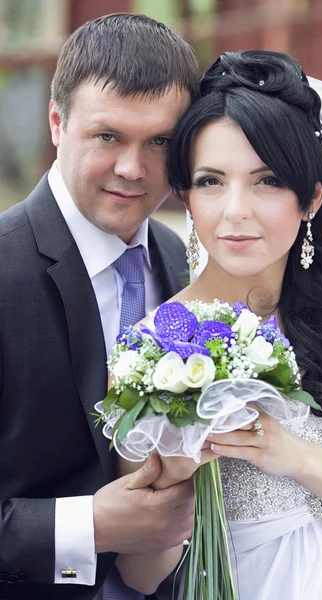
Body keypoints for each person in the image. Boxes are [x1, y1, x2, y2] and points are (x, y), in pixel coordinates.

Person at [114, 51, 322, 598]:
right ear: (186, 196)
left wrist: (296, 457)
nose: (235, 210)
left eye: (267, 181)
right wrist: (175, 478)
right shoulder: (153, 347)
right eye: (211, 181)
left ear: (310, 198)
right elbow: (141, 577)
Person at [0, 13, 199, 600]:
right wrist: (88, 526)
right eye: (108, 136)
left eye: (160, 141)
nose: (132, 169)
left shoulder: (177, 257)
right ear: (58, 123)